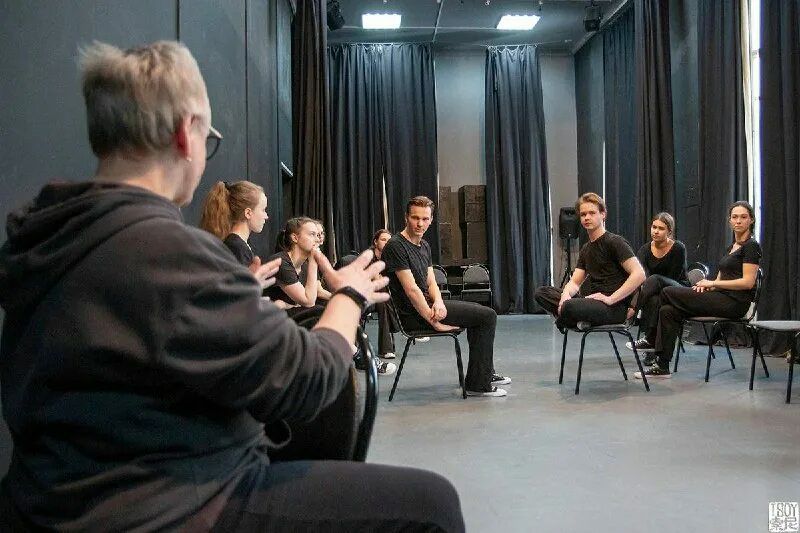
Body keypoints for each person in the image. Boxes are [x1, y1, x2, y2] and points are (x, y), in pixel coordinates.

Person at [0, 40, 463, 532]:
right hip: (163, 506)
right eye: (209, 138)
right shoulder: (168, 254)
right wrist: (349, 296)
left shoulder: (47, 240)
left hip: (48, 501)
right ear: (186, 134)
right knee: (432, 506)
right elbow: (309, 383)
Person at [382, 196, 510, 397]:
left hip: (429, 306)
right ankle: (478, 384)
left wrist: (439, 301)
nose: (420, 223)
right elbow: (412, 290)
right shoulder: (396, 245)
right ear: (406, 217)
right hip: (413, 315)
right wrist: (434, 322)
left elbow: (431, 281)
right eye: (415, 218)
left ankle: (482, 374)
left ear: (431, 220)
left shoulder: (424, 245)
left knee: (482, 314)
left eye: (425, 219)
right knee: (487, 317)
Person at [634, 201, 762, 379]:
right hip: (720, 297)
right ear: (730, 220)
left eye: (743, 217)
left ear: (751, 220)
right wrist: (707, 285)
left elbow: (748, 282)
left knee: (667, 291)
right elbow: (721, 279)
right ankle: (661, 367)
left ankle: (648, 334)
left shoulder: (751, 246)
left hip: (735, 303)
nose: (738, 221)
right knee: (668, 310)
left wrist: (713, 284)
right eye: (734, 217)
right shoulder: (731, 247)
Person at [534, 192, 646, 330]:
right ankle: (578, 319)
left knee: (570, 306)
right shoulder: (586, 249)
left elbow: (639, 274)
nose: (587, 217)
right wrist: (565, 295)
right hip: (591, 302)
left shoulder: (615, 242)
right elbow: (575, 282)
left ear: (603, 214)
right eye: (583, 214)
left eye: (592, 213)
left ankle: (571, 319)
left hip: (613, 307)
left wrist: (611, 299)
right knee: (542, 293)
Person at [625, 213, 689, 357]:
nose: (656, 231)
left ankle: (634, 311)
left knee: (655, 280)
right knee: (654, 299)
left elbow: (674, 276)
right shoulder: (644, 250)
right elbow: (642, 278)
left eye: (661, 228)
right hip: (654, 293)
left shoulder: (678, 248)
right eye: (654, 227)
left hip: (678, 289)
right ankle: (651, 345)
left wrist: (634, 303)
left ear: (669, 232)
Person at [199, 179, 268, 269]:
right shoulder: (236, 248)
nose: (266, 216)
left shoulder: (238, 246)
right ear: (248, 213)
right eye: (263, 210)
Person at [264, 217, 322, 309]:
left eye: (317, 235)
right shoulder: (280, 262)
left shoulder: (306, 266)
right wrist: (314, 260)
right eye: (312, 234)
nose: (318, 240)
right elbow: (309, 302)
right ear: (295, 238)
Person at [372, 228, 396, 359]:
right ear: (375, 242)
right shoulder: (369, 256)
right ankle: (401, 327)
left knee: (384, 301)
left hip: (384, 294)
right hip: (366, 293)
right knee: (384, 297)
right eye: (383, 240)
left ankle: (386, 349)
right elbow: (377, 280)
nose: (387, 243)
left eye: (389, 240)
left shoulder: (391, 258)